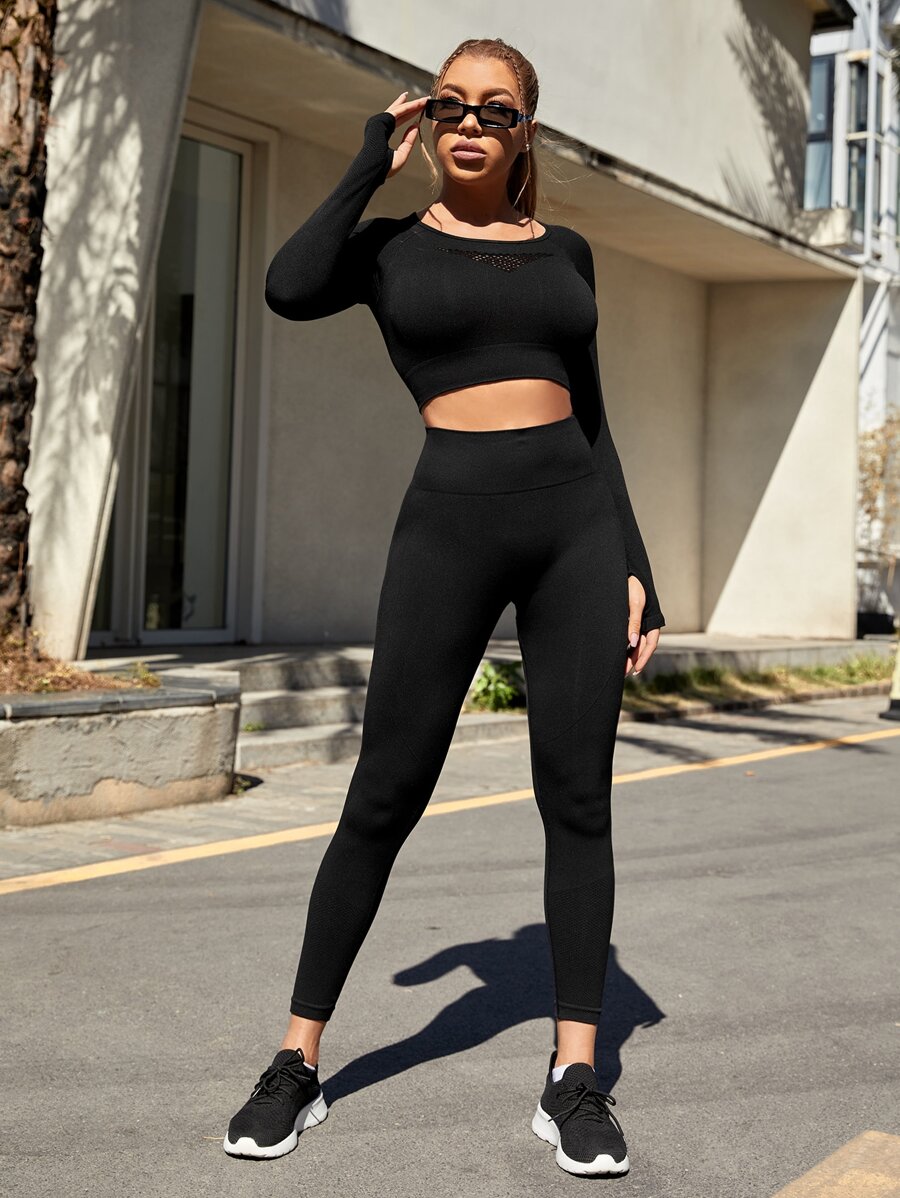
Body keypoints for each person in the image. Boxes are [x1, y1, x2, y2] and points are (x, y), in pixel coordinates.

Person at [223, 36, 664, 1179]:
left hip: (575, 532)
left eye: (496, 109)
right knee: (384, 793)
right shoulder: (385, 248)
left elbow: (593, 413)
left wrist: (637, 565)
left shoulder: (567, 251)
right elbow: (287, 285)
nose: (472, 122)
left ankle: (574, 1076)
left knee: (578, 799)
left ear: (527, 132)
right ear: (429, 122)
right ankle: (296, 1059)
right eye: (453, 105)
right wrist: (368, 158)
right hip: (447, 530)